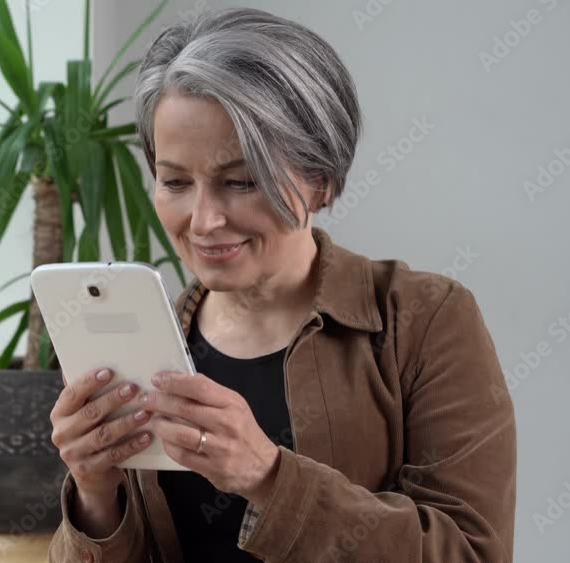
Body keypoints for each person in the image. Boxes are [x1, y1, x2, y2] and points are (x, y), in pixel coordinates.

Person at [48, 7, 515, 563]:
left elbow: (471, 554)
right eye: (175, 181)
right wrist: (95, 496)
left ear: (322, 180)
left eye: (241, 182)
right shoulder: (150, 347)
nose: (203, 220)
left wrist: (268, 478)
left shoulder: (424, 319)